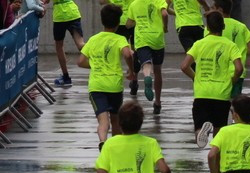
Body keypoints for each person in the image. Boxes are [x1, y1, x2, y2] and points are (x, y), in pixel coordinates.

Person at [181, 11, 242, 149]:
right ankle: (217, 158)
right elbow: (239, 68)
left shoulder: (199, 44)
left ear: (207, 28)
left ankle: (202, 131)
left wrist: (195, 77)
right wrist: (233, 80)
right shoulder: (230, 45)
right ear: (223, 26)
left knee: (198, 127)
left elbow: (184, 66)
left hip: (202, 93)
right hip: (221, 94)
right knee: (219, 131)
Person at [78, 3, 134, 149]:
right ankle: (116, 147)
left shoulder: (93, 39)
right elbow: (128, 54)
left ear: (102, 20)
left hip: (97, 86)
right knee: (115, 120)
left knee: (103, 122)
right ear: (117, 23)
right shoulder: (120, 39)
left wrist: (96, 65)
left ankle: (103, 142)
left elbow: (81, 61)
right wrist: (131, 70)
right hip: (114, 86)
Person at [125, 0, 168, 112]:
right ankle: (157, 102)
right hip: (157, 39)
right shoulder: (159, 1)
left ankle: (147, 76)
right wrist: (165, 27)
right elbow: (164, 14)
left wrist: (136, 21)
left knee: (146, 64)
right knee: (158, 70)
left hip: (142, 39)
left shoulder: (134, 4)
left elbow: (129, 24)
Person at [214, 0, 250, 97]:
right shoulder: (241, 26)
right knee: (235, 102)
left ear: (220, 10)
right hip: (238, 71)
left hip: (219, 72)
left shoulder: (212, 28)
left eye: (213, 8)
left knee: (221, 101)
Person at [50, 0, 85, 87]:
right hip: (73, 13)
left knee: (59, 46)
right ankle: (99, 53)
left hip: (60, 16)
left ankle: (66, 77)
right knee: (80, 44)